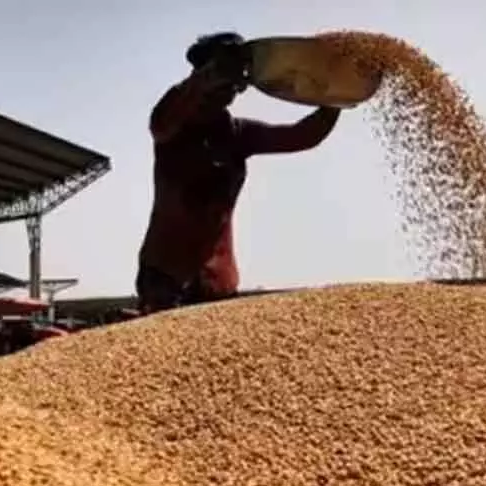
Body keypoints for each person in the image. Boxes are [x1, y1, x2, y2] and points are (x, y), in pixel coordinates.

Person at [135, 31, 344, 315]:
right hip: (165, 279)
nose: (230, 89)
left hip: (218, 282)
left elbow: (302, 136)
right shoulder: (174, 123)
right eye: (224, 75)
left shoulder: (238, 134)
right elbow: (162, 123)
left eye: (234, 82)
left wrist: (336, 97)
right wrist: (211, 75)